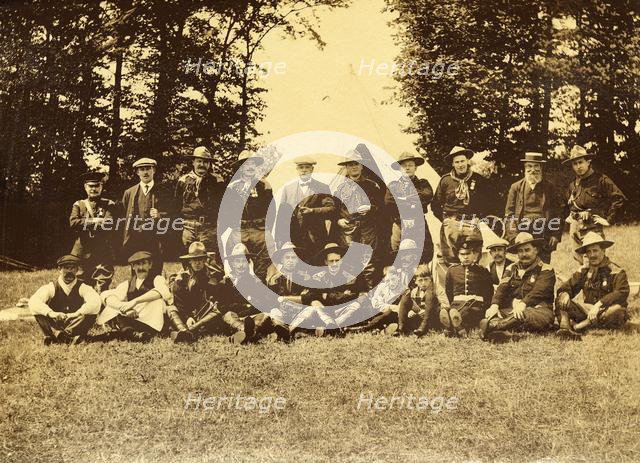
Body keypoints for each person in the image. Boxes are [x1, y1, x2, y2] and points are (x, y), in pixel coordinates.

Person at [479, 232, 556, 342]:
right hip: (514, 311)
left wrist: (522, 304)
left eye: (527, 250)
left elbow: (538, 292)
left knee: (524, 314)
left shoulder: (546, 269)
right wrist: (494, 305)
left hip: (539, 311)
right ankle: (506, 333)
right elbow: (502, 287)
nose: (524, 254)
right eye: (520, 251)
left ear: (536, 250)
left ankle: (495, 327)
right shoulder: (511, 268)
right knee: (499, 312)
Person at [555, 232, 629, 340]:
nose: (592, 255)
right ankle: (565, 329)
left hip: (605, 311)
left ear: (603, 251)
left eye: (595, 250)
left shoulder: (616, 271)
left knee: (617, 310)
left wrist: (599, 304)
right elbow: (567, 287)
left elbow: (621, 292)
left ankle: (577, 327)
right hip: (587, 311)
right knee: (561, 298)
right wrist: (565, 293)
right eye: (589, 252)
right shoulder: (584, 271)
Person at [431, 146, 493, 266]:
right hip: (452, 224)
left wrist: (479, 218)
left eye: (462, 161)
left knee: (473, 258)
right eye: (457, 162)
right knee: (452, 260)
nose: (460, 165)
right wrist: (446, 221)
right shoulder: (446, 181)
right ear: (453, 164)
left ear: (468, 161)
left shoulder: (477, 179)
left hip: (471, 223)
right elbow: (435, 205)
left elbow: (487, 203)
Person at [564, 145, 626, 262]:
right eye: (575, 164)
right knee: (580, 261)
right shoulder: (573, 184)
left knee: (595, 259)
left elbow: (619, 198)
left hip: (592, 226)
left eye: (580, 162)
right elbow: (568, 203)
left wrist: (608, 219)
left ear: (588, 162)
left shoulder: (600, 179)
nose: (578, 166)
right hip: (575, 227)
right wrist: (570, 216)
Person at [224, 151, 276, 281]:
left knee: (264, 262)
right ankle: (239, 291)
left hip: (260, 230)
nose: (249, 167)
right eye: (246, 164)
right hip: (240, 230)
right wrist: (235, 224)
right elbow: (227, 210)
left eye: (252, 163)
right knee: (237, 260)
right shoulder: (232, 187)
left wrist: (264, 228)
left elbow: (272, 209)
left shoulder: (264, 185)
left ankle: (261, 291)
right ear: (241, 168)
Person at [504, 152, 564, 263]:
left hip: (543, 235)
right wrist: (514, 236)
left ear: (541, 168)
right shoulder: (516, 187)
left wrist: (555, 235)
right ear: (525, 168)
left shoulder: (549, 187)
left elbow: (558, 213)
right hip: (522, 234)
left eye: (536, 166)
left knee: (543, 268)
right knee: (523, 267)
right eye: (529, 166)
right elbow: (509, 215)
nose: (533, 170)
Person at [274, 156, 336, 263]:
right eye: (301, 167)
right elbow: (281, 217)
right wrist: (281, 240)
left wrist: (313, 211)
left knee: (317, 266)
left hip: (317, 237)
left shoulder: (322, 187)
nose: (304, 170)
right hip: (294, 238)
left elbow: (331, 209)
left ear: (312, 169)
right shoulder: (288, 189)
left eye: (307, 167)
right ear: (297, 170)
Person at [29, 254, 101, 345]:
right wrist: (52, 313)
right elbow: (33, 301)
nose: (69, 271)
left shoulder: (83, 287)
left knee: (89, 313)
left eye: (73, 268)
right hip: (56, 321)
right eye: (66, 268)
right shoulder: (51, 287)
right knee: (38, 311)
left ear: (77, 270)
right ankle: (64, 336)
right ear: (59, 269)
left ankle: (59, 336)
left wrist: (77, 313)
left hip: (75, 322)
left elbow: (95, 302)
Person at [98, 251, 169, 342]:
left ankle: (124, 333)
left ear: (150, 265)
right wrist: (125, 308)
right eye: (137, 264)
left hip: (152, 322)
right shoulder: (128, 283)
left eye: (144, 264)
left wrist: (134, 302)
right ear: (132, 266)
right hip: (135, 320)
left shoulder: (157, 279)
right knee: (113, 306)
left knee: (157, 301)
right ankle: (132, 334)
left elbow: (161, 292)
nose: (141, 268)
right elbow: (107, 295)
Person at [297, 243, 365, 336]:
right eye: (331, 261)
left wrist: (326, 295)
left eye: (337, 260)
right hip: (324, 311)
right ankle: (331, 325)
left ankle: (332, 326)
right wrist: (341, 295)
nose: (334, 264)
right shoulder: (318, 277)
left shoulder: (350, 278)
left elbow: (354, 296)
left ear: (341, 261)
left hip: (340, 311)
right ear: (326, 262)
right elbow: (311, 296)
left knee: (356, 306)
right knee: (314, 305)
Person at [217, 243, 278, 344]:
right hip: (235, 317)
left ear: (248, 262)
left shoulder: (255, 282)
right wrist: (245, 306)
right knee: (228, 315)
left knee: (266, 314)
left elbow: (263, 304)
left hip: (252, 318)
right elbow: (223, 307)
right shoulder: (225, 283)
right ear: (232, 264)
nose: (241, 265)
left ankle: (248, 332)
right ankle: (244, 331)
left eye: (243, 261)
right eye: (237, 261)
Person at [174, 146, 225, 265]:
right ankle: (188, 282)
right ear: (193, 162)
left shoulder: (217, 181)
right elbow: (176, 206)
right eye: (199, 161)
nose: (202, 164)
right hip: (188, 227)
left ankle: (211, 283)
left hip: (209, 227)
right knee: (188, 258)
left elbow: (223, 206)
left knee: (210, 259)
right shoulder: (183, 181)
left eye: (206, 162)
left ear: (209, 164)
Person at [334, 150, 385, 268]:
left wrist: (371, 208)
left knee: (368, 262)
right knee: (350, 262)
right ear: (346, 167)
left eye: (356, 164)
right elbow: (335, 209)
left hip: (367, 229)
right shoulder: (340, 188)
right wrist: (339, 220)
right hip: (348, 230)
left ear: (362, 166)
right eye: (350, 164)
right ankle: (352, 287)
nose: (354, 167)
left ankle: (369, 286)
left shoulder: (372, 185)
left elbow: (383, 208)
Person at [121, 158, 172, 277]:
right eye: (142, 169)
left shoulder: (164, 191)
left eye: (148, 168)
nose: (145, 172)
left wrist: (160, 215)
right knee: (137, 270)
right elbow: (124, 214)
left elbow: (173, 213)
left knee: (155, 269)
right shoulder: (129, 193)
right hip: (135, 238)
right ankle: (136, 293)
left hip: (155, 238)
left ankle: (155, 293)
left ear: (153, 170)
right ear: (137, 172)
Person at [69, 171, 117, 292]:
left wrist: (84, 222)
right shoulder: (79, 204)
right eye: (91, 186)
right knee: (79, 282)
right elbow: (73, 223)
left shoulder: (109, 204)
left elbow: (109, 222)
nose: (94, 189)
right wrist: (94, 221)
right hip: (81, 249)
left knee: (103, 281)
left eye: (97, 186)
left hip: (102, 249)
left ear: (101, 187)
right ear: (85, 187)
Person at [166, 242, 222, 343]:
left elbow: (213, 299)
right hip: (185, 314)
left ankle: (188, 332)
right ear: (189, 261)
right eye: (194, 260)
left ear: (205, 260)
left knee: (216, 311)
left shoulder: (213, 276)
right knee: (171, 309)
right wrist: (188, 317)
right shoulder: (181, 278)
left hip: (204, 314)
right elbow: (179, 302)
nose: (197, 263)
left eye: (200, 259)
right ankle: (183, 330)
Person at [386, 152, 434, 265]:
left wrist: (402, 199)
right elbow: (389, 202)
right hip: (399, 224)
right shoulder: (393, 185)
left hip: (418, 224)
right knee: (397, 254)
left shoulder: (423, 184)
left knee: (423, 253)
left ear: (415, 167)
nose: (407, 168)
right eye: (404, 166)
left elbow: (426, 196)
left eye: (410, 165)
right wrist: (412, 201)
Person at [440, 236, 493, 336]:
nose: (465, 257)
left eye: (468, 253)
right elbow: (449, 291)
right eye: (462, 254)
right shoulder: (452, 271)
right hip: (457, 304)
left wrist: (486, 308)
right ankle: (457, 325)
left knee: (463, 312)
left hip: (475, 305)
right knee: (449, 310)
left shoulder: (483, 271)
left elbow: (488, 292)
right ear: (458, 256)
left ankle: (451, 327)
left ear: (474, 255)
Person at [266, 242, 311, 341]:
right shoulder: (275, 279)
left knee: (310, 310)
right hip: (283, 313)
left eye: (293, 258)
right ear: (282, 260)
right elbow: (271, 301)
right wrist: (298, 299)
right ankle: (285, 329)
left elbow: (308, 298)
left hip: (298, 312)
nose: (290, 261)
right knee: (273, 312)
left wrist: (284, 298)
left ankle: (288, 331)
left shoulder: (304, 277)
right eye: (287, 258)